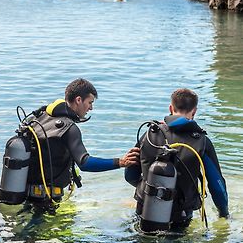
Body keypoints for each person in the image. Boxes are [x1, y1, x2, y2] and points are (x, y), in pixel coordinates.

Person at [25, 78, 140, 210]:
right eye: (90, 102)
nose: (91, 108)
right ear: (78, 100)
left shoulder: (40, 117)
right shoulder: (69, 128)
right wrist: (120, 162)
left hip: (24, 192)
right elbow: (85, 163)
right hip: (45, 200)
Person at [125, 88, 229, 232]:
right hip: (180, 218)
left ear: (170, 108)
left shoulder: (150, 133)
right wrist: (224, 214)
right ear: (194, 111)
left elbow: (129, 175)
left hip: (145, 211)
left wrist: (151, 191)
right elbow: (217, 187)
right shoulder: (202, 142)